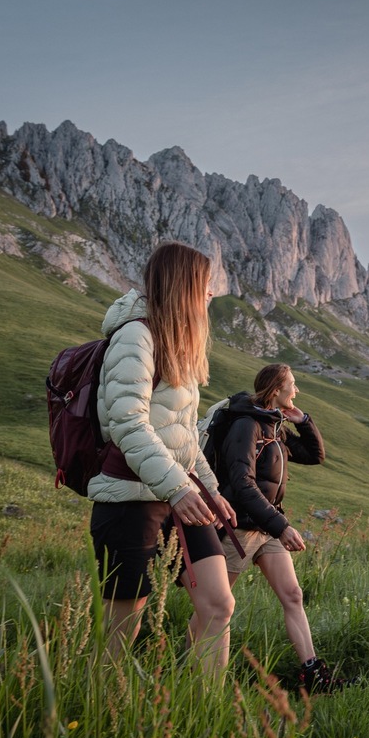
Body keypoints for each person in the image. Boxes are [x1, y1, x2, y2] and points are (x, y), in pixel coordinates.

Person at [87, 241, 237, 681]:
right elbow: (127, 425)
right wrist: (177, 487)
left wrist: (208, 490)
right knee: (122, 630)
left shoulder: (178, 344)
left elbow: (185, 436)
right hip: (130, 498)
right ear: (185, 285)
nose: (212, 294)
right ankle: (100, 713)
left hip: (182, 494)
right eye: (206, 285)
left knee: (219, 604)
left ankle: (207, 717)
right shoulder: (135, 336)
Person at [213, 363, 351, 693]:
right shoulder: (247, 426)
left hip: (266, 527)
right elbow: (241, 482)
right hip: (241, 528)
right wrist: (282, 526)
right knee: (214, 605)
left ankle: (313, 676)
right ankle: (188, 668)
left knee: (292, 594)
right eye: (293, 385)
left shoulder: (274, 427)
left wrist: (304, 421)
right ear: (276, 390)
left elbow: (314, 455)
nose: (297, 390)